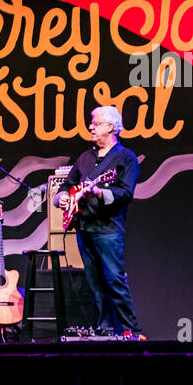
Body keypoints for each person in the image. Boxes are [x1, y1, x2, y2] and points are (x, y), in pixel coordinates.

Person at [55, 106, 143, 339]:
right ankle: (105, 329)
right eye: (92, 123)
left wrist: (100, 194)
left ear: (111, 127)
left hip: (109, 230)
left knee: (114, 280)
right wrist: (63, 197)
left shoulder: (126, 158)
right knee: (94, 283)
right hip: (84, 228)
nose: (91, 126)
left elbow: (126, 193)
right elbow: (67, 184)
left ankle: (131, 331)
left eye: (96, 123)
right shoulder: (85, 158)